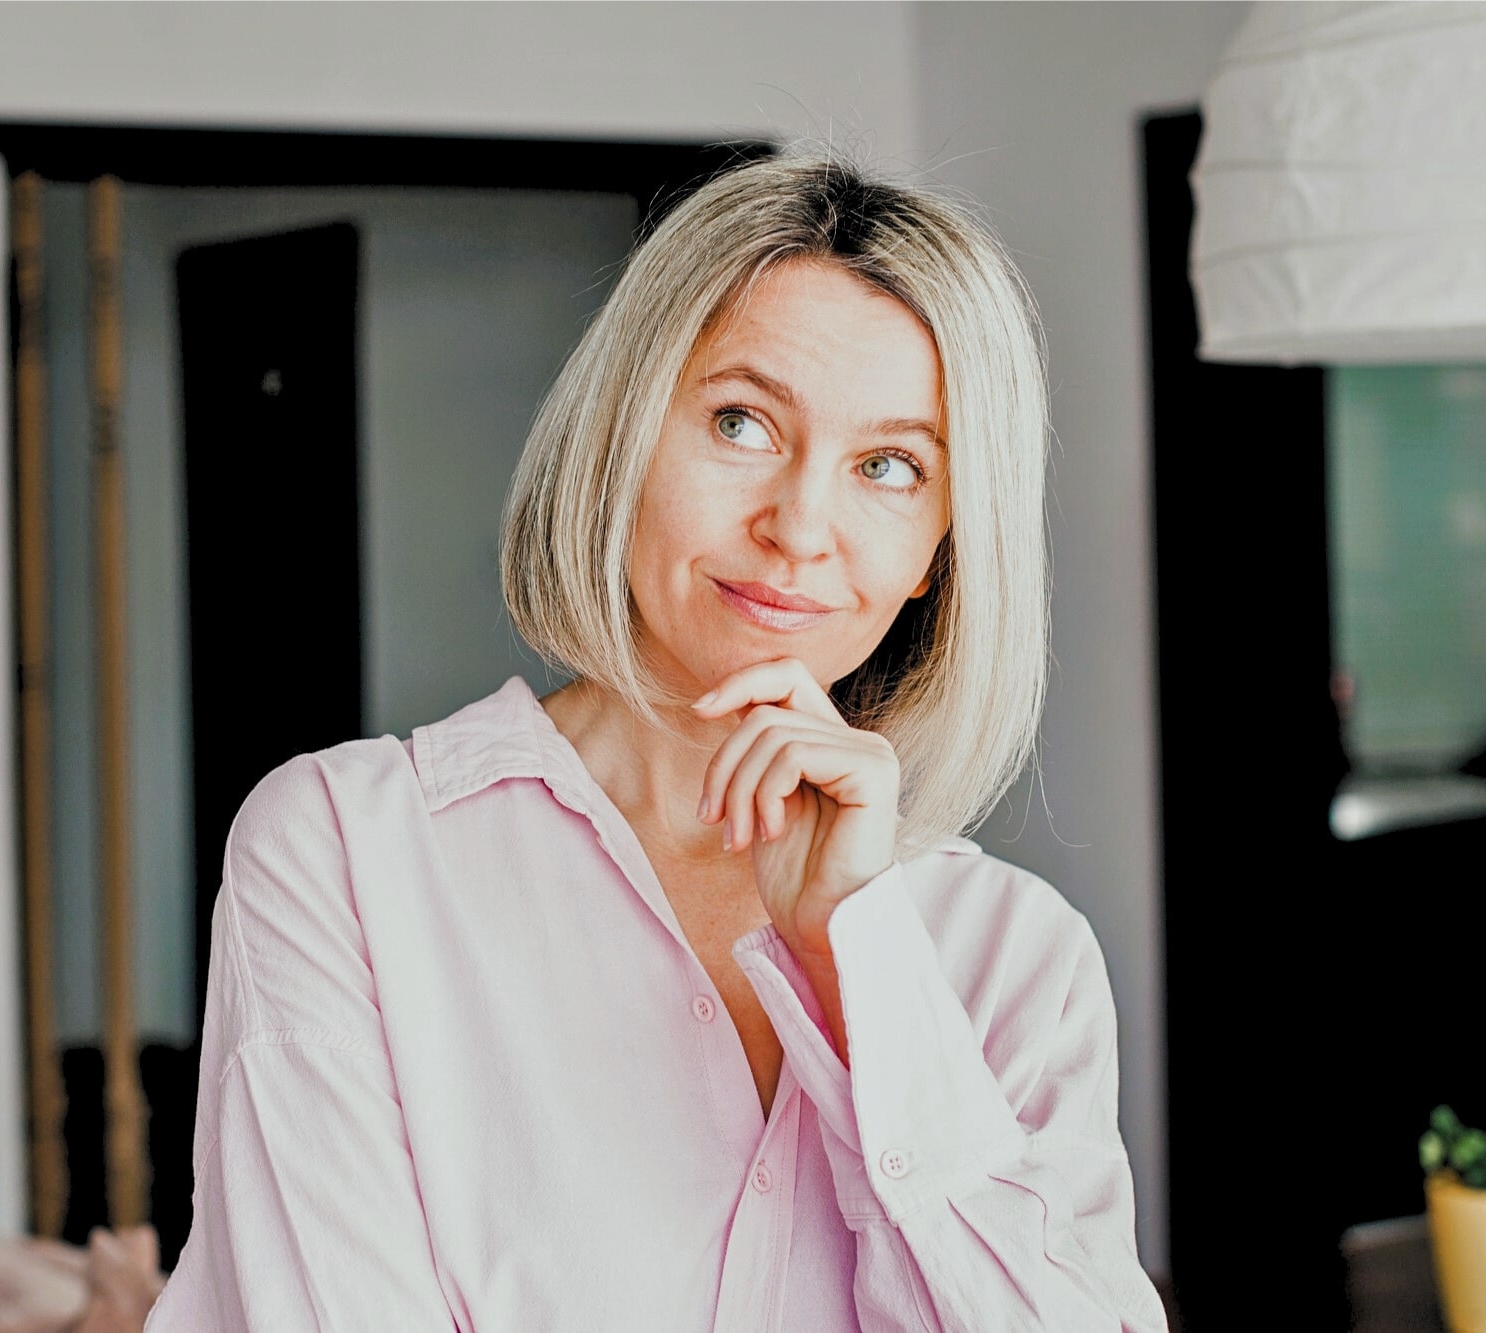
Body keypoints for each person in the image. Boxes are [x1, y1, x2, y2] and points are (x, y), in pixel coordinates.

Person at [146, 154, 1167, 1331]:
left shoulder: (1017, 960)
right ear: (623, 435)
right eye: (741, 422)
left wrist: (857, 966)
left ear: (939, 545)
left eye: (889, 466)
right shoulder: (344, 854)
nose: (796, 527)